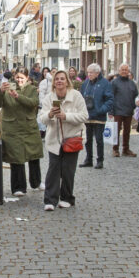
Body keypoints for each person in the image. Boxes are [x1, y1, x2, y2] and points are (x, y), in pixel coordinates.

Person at [38, 70, 88, 211]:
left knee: (68, 170)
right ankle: (50, 199)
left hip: (72, 138)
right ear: (53, 82)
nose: (59, 81)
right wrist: (50, 114)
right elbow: (42, 119)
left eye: (62, 79)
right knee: (53, 169)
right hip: (54, 139)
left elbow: (84, 116)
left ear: (67, 81)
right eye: (57, 79)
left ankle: (67, 198)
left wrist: (66, 116)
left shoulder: (76, 96)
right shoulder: (49, 98)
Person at [0, 67, 44, 195]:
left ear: (27, 78)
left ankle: (36, 182)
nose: (19, 80)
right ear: (14, 77)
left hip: (29, 128)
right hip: (12, 129)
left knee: (34, 156)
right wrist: (0, 91)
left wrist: (18, 97)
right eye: (17, 77)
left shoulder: (32, 89)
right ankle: (18, 187)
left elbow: (33, 103)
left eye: (22, 78)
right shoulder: (6, 88)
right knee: (16, 158)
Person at [79, 63, 113, 169]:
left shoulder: (105, 83)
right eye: (88, 72)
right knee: (87, 139)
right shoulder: (85, 83)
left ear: (97, 73)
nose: (89, 74)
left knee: (99, 140)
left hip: (99, 116)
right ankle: (88, 159)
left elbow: (110, 100)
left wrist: (101, 110)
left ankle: (100, 160)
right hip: (87, 116)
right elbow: (80, 97)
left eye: (91, 72)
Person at [109, 63, 139, 157]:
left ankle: (126, 149)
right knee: (116, 131)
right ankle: (115, 149)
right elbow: (110, 96)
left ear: (128, 71)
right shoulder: (114, 82)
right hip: (117, 110)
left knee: (127, 131)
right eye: (122, 69)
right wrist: (110, 111)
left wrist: (134, 106)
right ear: (119, 71)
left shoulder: (132, 83)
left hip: (129, 110)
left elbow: (136, 95)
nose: (124, 71)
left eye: (126, 70)